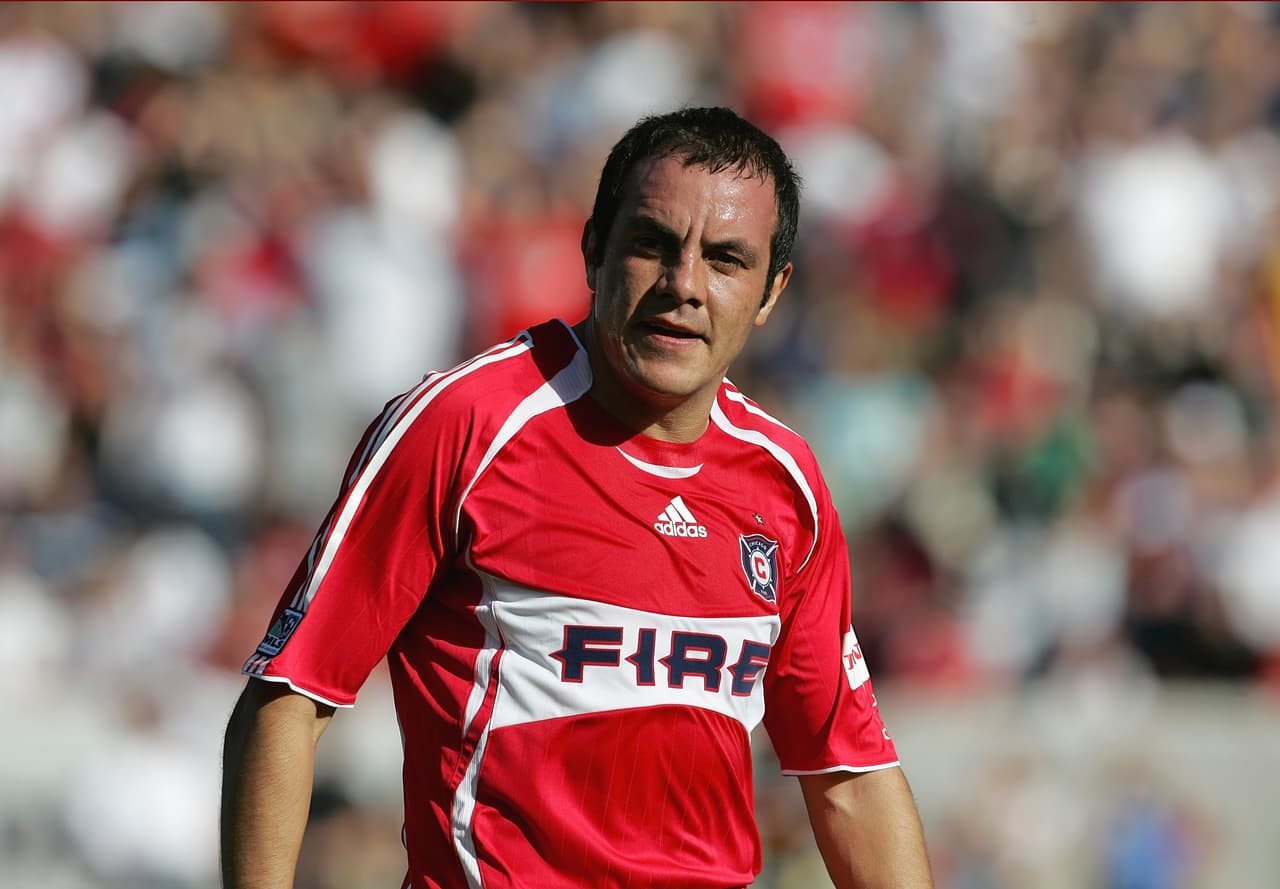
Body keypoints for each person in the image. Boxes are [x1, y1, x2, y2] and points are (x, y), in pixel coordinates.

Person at [221, 106, 934, 889]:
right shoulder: (464, 425)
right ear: (594, 248)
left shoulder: (786, 482)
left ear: (771, 291)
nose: (684, 286)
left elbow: (850, 778)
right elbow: (289, 696)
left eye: (726, 259)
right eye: (653, 243)